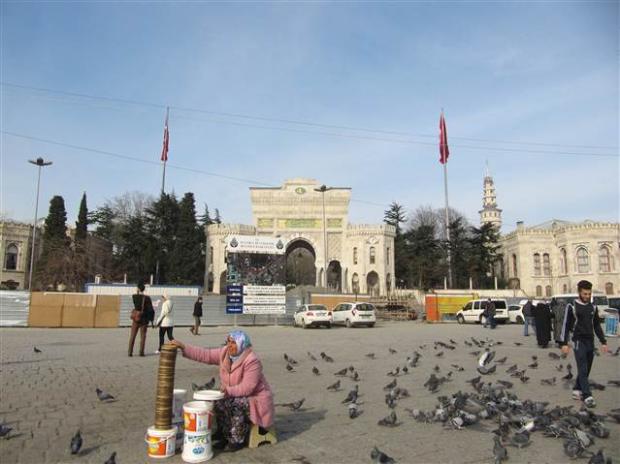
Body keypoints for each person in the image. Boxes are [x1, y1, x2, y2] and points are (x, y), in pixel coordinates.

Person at [171, 330, 274, 451]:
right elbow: (206, 355)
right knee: (218, 402)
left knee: (236, 404)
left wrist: (228, 390)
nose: (229, 345)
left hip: (256, 399)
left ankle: (237, 439)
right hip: (233, 394)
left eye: (234, 343)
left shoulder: (252, 360)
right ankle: (224, 434)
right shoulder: (224, 353)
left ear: (242, 344)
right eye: (228, 342)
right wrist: (184, 347)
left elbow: (248, 387)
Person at [560, 280, 608, 408]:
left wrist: (603, 341)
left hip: (590, 341)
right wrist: (564, 343)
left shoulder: (593, 307)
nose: (587, 296)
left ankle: (576, 389)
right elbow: (565, 324)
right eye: (585, 294)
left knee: (587, 368)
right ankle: (587, 395)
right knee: (582, 367)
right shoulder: (572, 306)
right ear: (579, 292)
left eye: (589, 294)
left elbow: (596, 325)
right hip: (577, 341)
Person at [128, 282, 154, 357]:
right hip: (144, 319)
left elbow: (137, 305)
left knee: (132, 335)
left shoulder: (134, 296)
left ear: (138, 289)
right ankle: (141, 352)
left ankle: (130, 352)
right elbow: (150, 310)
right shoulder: (147, 298)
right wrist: (151, 319)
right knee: (143, 336)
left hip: (136, 319)